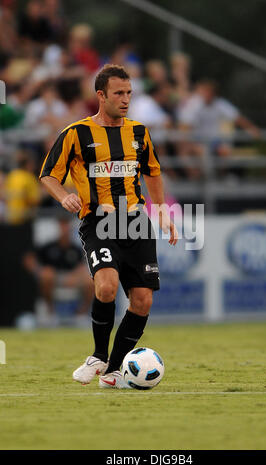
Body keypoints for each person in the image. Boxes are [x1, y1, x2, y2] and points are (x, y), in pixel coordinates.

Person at [39, 64, 178, 389]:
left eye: (129, 93)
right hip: (98, 222)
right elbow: (48, 174)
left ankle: (114, 372)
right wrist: (64, 197)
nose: (126, 99)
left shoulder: (139, 133)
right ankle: (99, 356)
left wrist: (161, 212)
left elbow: (153, 172)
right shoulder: (76, 133)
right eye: (119, 93)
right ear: (100, 95)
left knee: (142, 300)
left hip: (135, 223)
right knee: (106, 286)